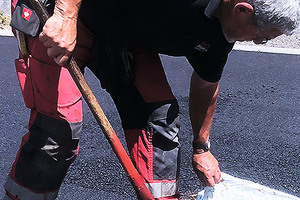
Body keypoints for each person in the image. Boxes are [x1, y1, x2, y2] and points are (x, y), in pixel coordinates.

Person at [4, 0, 299, 199]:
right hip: (58, 14)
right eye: (261, 36)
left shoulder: (222, 32)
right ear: (243, 10)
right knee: (57, 131)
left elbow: (207, 83)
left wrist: (201, 147)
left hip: (118, 31)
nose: (258, 42)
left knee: (159, 125)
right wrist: (66, 16)